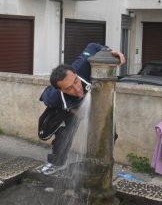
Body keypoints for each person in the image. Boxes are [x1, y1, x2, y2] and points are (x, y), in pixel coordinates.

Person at [39, 43, 125, 174]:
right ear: (61, 90)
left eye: (75, 82)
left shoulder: (82, 65)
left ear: (75, 74)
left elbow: (92, 46)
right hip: (69, 107)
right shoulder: (53, 97)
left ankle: (103, 163)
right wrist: (71, 110)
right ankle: (55, 163)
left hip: (96, 102)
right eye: (69, 88)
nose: (77, 88)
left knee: (108, 132)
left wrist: (110, 52)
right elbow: (45, 97)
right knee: (63, 134)